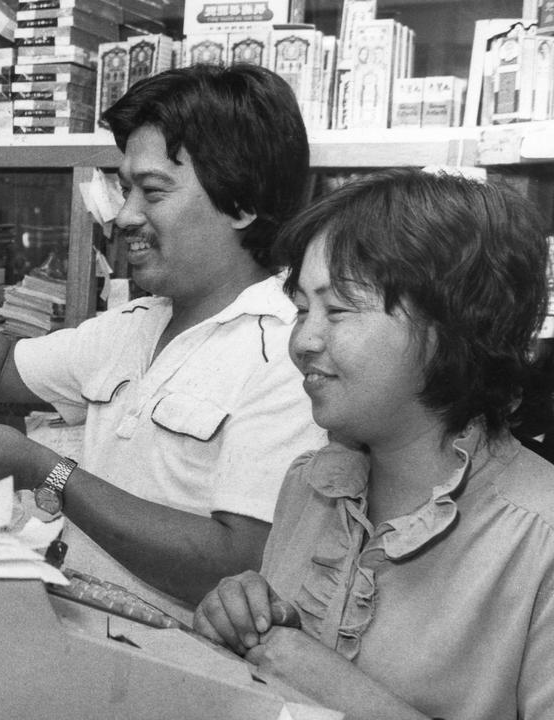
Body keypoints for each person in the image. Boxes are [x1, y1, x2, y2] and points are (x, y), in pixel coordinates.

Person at [0, 64, 325, 606]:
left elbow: (237, 565)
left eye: (153, 192)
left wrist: (48, 470)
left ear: (241, 203)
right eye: (125, 188)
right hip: (76, 624)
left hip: (180, 659)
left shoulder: (290, 351)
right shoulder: (140, 324)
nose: (126, 215)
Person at [192, 168, 554, 719]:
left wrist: (333, 687)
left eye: (337, 310)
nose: (303, 342)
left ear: (452, 323)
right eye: (301, 310)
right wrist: (241, 621)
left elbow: (307, 674)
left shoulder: (540, 538)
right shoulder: (310, 483)